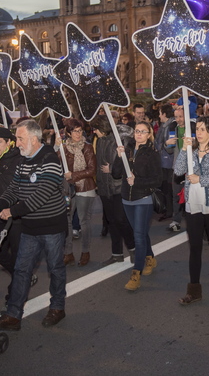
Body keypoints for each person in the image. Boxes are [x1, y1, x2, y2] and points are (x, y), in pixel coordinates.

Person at [0, 120, 68, 330]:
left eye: (20, 138)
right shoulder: (23, 161)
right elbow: (13, 189)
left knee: (56, 268)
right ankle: (13, 314)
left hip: (51, 227)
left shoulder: (50, 159)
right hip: (30, 227)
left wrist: (12, 211)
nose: (17, 142)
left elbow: (42, 195)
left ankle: (57, 307)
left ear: (33, 139)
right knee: (21, 270)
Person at [172, 117, 209, 305]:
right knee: (195, 246)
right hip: (193, 203)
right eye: (197, 129)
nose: (199, 132)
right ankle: (194, 290)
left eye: (203, 129)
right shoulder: (191, 151)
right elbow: (177, 170)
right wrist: (183, 149)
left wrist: (201, 179)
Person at [113, 121, 162, 291]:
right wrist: (119, 158)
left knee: (138, 236)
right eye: (137, 131)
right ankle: (149, 257)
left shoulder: (152, 153)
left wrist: (137, 181)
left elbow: (157, 180)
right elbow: (115, 173)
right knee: (139, 233)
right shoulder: (127, 149)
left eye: (143, 131)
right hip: (127, 198)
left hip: (144, 198)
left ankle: (136, 274)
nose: (139, 134)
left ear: (149, 134)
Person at [91, 116, 135, 266]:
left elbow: (127, 163)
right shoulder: (100, 141)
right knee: (112, 222)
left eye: (95, 128)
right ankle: (117, 253)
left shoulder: (121, 140)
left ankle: (133, 248)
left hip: (117, 186)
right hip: (104, 188)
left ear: (102, 128)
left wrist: (113, 168)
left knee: (121, 220)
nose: (94, 131)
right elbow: (99, 164)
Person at [58, 119, 97, 267]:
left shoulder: (87, 147)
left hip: (85, 187)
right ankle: (68, 253)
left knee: (84, 221)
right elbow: (57, 163)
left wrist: (73, 176)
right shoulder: (63, 148)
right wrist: (56, 146)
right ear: (68, 132)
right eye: (75, 131)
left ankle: (85, 252)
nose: (78, 134)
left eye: (80, 130)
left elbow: (92, 170)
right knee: (66, 221)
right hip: (67, 189)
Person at [164, 106, 196, 232]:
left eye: (181, 116)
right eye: (176, 117)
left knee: (192, 196)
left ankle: (194, 222)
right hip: (177, 167)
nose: (178, 119)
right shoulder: (172, 128)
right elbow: (169, 150)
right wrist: (167, 143)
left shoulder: (194, 128)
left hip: (193, 168)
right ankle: (176, 221)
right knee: (176, 195)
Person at [154, 103, 176, 223]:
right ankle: (168, 210)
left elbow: (170, 147)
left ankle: (169, 211)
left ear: (164, 114)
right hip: (165, 161)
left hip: (167, 162)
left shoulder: (169, 126)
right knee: (166, 188)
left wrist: (159, 146)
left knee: (167, 188)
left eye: (160, 113)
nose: (159, 115)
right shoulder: (165, 125)